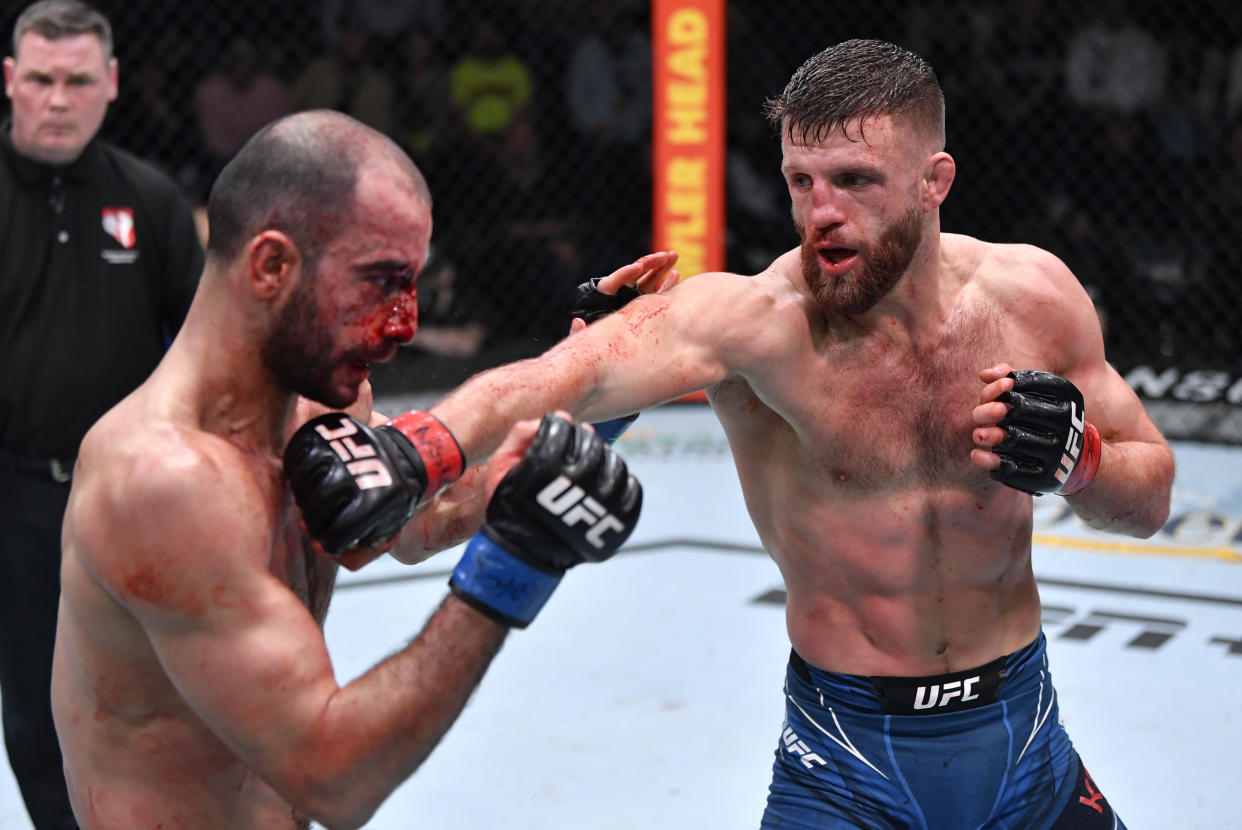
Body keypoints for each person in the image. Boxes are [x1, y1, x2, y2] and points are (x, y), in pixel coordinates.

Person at [289, 39, 1176, 828]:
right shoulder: (753, 321)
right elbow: (558, 378)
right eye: (800, 183)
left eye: (856, 182)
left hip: (1026, 749)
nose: (820, 212)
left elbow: (1151, 493)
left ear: (934, 182)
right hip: (846, 770)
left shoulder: (1033, 297)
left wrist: (1083, 461)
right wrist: (420, 448)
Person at [51, 109, 642, 830]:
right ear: (271, 267)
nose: (403, 326)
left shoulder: (313, 404)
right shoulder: (164, 482)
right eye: (379, 281)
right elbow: (334, 780)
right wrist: (516, 564)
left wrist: (586, 416)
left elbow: (421, 518)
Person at [1, 2, 204, 826]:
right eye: (41, 80)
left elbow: (207, 349)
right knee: (34, 711)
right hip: (11, 495)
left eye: (78, 80)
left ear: (111, 84)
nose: (58, 98)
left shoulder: (150, 201)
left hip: (126, 500)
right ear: (9, 81)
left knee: (150, 703)